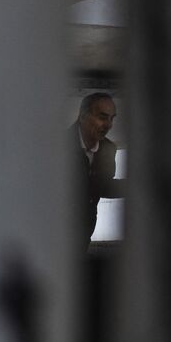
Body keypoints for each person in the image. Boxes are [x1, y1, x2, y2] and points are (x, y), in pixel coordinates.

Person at [72, 92, 126, 241]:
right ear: (83, 116)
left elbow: (103, 186)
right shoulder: (58, 145)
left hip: (84, 234)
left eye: (111, 118)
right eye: (102, 117)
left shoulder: (108, 148)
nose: (109, 125)